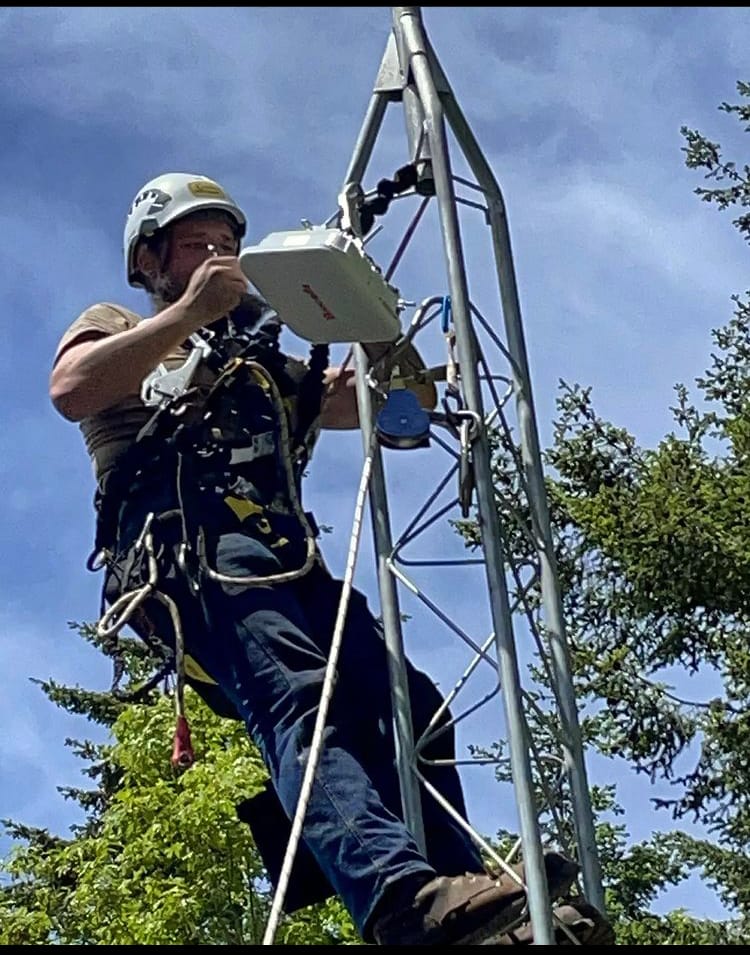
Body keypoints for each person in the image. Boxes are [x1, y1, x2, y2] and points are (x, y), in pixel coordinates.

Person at [49, 171, 605, 945]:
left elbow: (385, 403)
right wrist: (189, 313)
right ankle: (401, 899)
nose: (218, 256)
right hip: (191, 560)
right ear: (150, 260)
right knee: (299, 697)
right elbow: (73, 387)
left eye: (227, 244)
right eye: (196, 244)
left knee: (412, 707)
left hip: (285, 562)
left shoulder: (267, 371)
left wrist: (393, 338)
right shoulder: (121, 327)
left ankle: (469, 903)